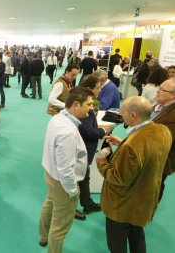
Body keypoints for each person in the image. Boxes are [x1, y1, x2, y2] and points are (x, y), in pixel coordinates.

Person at [96, 96, 172, 253]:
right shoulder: (163, 131)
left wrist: (101, 160)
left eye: (122, 112)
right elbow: (146, 150)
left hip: (122, 205)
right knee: (137, 235)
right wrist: (123, 142)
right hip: (143, 200)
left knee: (116, 240)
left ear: (133, 116)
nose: (120, 115)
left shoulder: (132, 146)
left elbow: (118, 177)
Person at [39, 87, 93, 252]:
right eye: (89, 105)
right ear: (76, 104)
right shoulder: (68, 132)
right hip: (63, 183)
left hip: (51, 175)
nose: (91, 109)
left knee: (49, 205)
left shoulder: (58, 118)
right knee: (60, 226)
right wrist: (72, 191)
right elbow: (66, 168)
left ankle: (43, 237)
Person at [77, 75, 111, 220]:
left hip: (84, 151)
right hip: (81, 150)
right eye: (97, 88)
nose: (99, 90)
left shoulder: (86, 103)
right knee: (75, 180)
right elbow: (87, 131)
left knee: (84, 177)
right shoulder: (84, 105)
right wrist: (103, 130)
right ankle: (70, 209)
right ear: (90, 89)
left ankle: (87, 203)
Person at [151, 78, 175, 202]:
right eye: (159, 87)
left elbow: (166, 140)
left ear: (172, 96)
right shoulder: (159, 104)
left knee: (155, 185)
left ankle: (147, 212)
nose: (157, 91)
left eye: (162, 89)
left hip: (161, 159)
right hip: (148, 154)